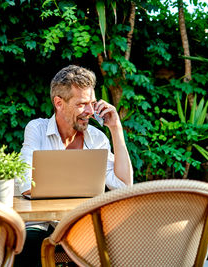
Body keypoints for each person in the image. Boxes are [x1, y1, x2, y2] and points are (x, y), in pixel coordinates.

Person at [13, 65, 133, 267]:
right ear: (59, 103)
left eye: (92, 104)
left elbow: (124, 186)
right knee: (27, 244)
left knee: (107, 245)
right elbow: (25, 182)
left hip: (79, 226)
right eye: (82, 104)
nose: (89, 111)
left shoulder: (97, 139)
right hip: (39, 224)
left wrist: (116, 128)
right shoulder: (37, 129)